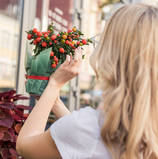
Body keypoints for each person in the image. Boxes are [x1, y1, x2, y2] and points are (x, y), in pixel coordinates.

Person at [16, 3, 158, 159]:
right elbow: (84, 140)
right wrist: (54, 102)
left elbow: (25, 146)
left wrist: (54, 85)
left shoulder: (90, 126)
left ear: (112, 52)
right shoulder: (147, 124)